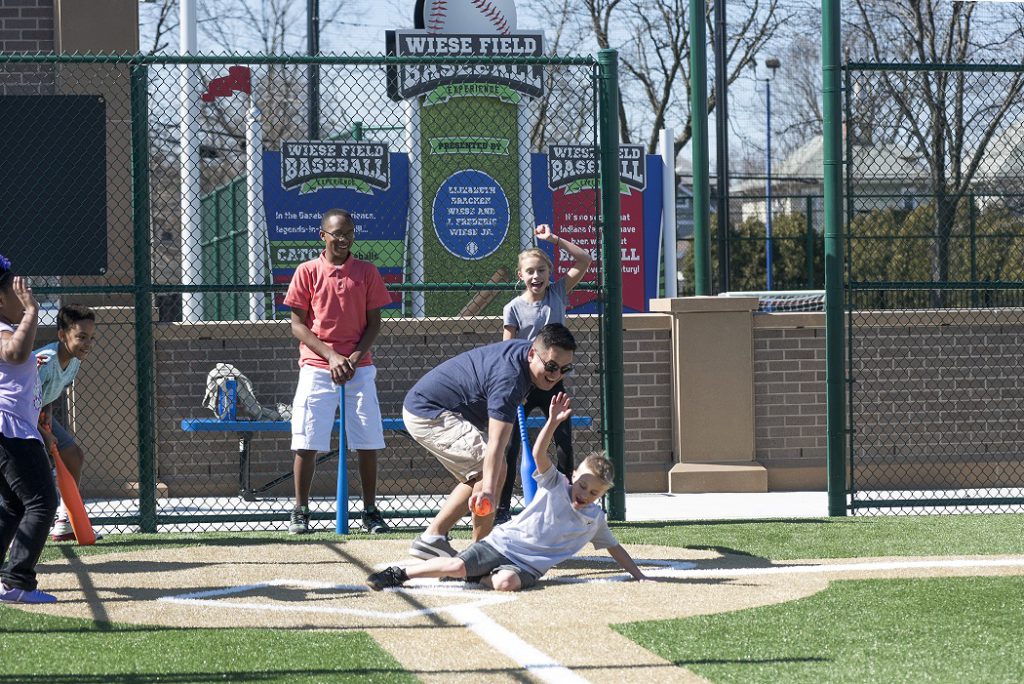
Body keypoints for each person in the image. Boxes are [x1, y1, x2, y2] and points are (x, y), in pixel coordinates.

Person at [369, 392, 649, 591]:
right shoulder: (556, 484)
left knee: (506, 584)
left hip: (528, 567)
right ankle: (400, 574)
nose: (585, 494)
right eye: (583, 486)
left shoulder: (595, 519)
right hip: (503, 544)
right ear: (573, 476)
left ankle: (475, 577)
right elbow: (539, 452)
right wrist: (552, 422)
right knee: (454, 567)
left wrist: (638, 575)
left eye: (594, 493)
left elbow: (614, 547)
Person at [402, 323, 577, 560]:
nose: (556, 376)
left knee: (483, 474)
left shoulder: (525, 359)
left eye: (565, 369)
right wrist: (491, 491)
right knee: (492, 470)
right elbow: (496, 444)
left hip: (437, 410)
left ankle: (435, 539)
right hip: (429, 412)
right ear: (533, 354)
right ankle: (479, 554)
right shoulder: (511, 379)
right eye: (551, 366)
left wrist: (488, 485)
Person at [283, 208, 392, 535]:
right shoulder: (307, 271)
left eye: (348, 233)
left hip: (358, 369)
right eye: (336, 234)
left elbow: (375, 323)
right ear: (323, 235)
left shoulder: (367, 272)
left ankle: (370, 512)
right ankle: (300, 511)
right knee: (307, 439)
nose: (342, 239)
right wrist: (331, 356)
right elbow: (298, 326)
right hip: (317, 367)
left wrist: (354, 359)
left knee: (368, 440)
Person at [496, 224, 592, 524]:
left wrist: (554, 239)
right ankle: (502, 509)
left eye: (541, 271)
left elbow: (584, 260)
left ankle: (564, 503)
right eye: (530, 271)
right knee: (510, 447)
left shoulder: (558, 294)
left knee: (563, 442)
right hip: (524, 383)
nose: (536, 276)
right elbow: (506, 348)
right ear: (520, 276)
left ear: (549, 274)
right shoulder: (513, 308)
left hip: (554, 382)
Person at [0, 256, 59, 603]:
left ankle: (11, 580)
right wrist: (32, 312)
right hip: (9, 431)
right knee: (42, 501)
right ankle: (17, 582)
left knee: (12, 506)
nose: (25, 295)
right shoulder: (5, 329)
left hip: (15, 428)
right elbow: (14, 352)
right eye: (17, 292)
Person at [34, 304, 97, 542]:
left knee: (73, 456)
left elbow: (48, 393)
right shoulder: (45, 362)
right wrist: (42, 432)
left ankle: (64, 522)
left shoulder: (74, 361)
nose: (88, 344)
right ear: (62, 335)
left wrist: (47, 412)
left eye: (91, 338)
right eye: (81, 337)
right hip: (12, 415)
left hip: (35, 412)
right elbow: (17, 402)